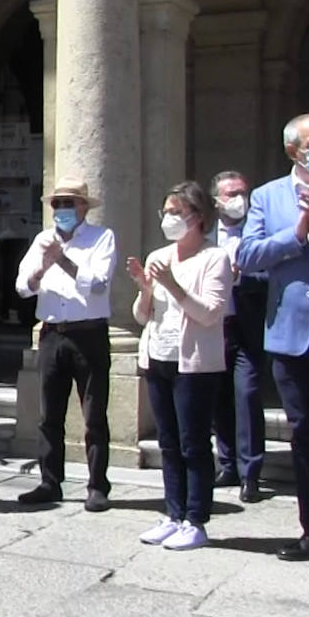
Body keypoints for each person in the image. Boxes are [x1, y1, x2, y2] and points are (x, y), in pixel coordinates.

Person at [237, 113, 309, 561]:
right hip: (293, 336)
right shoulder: (267, 196)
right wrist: (299, 230)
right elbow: (248, 254)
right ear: (294, 150)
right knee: (306, 434)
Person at [128, 181, 231, 551]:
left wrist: (172, 285)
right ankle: (173, 514)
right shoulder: (159, 254)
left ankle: (196, 519)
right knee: (168, 442)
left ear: (198, 217)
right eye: (166, 212)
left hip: (195, 366)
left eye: (177, 212)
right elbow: (143, 316)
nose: (170, 219)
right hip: (159, 358)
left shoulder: (213, 258)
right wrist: (144, 288)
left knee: (193, 443)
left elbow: (211, 313)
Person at [13, 176, 118, 512]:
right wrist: (42, 267)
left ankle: (97, 485)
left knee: (94, 415)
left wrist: (64, 261)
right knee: (49, 415)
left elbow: (98, 285)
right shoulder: (43, 239)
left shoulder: (102, 238)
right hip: (52, 333)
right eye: (57, 204)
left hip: (88, 334)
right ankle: (49, 481)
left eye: (69, 203)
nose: (62, 210)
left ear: (84, 207)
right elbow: (22, 287)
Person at [210, 171, 266, 503]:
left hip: (247, 326)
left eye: (242, 192)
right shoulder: (205, 236)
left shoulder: (258, 232)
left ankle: (251, 473)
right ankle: (227, 463)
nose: (238, 199)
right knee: (219, 397)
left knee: (246, 394)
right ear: (216, 199)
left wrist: (242, 275)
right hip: (215, 326)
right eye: (230, 194)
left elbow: (271, 268)